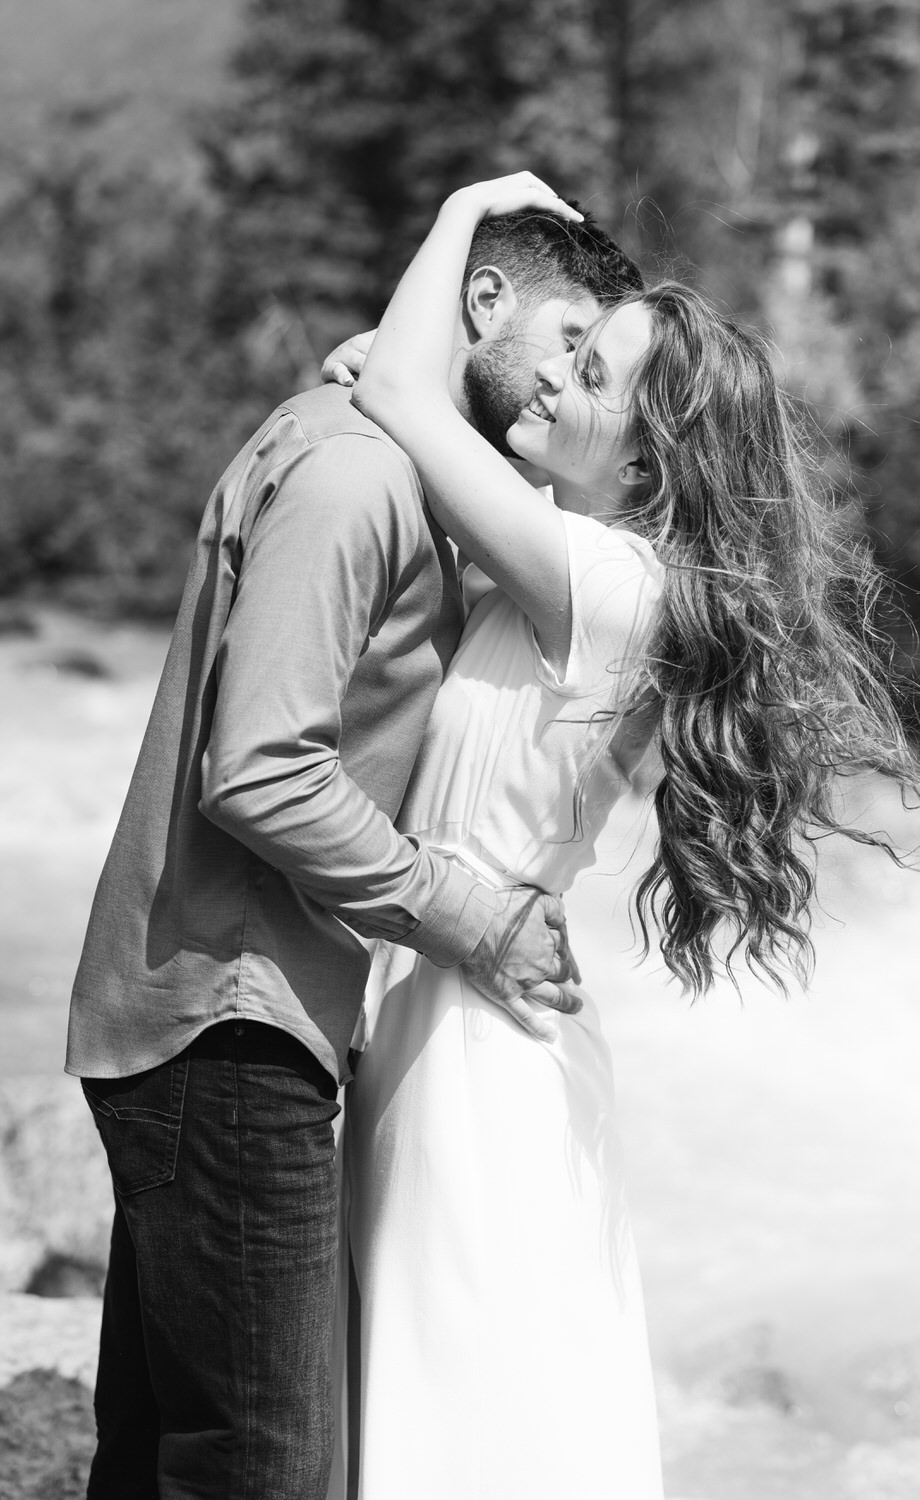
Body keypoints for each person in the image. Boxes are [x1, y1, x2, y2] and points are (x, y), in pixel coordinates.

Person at [322, 172, 920, 1500]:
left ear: (656, 456)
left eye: (592, 377)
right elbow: (399, 375)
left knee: (459, 1414)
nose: (551, 386)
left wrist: (471, 205)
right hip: (465, 1001)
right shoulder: (579, 553)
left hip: (471, 1040)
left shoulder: (605, 585)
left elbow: (392, 388)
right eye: (571, 354)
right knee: (481, 1396)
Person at [66, 189, 643, 1500]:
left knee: (165, 1454)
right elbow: (261, 774)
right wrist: (469, 912)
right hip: (228, 1016)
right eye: (565, 337)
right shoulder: (358, 472)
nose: (565, 377)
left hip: (259, 1007)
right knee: (264, 1469)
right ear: (480, 302)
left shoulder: (420, 476)